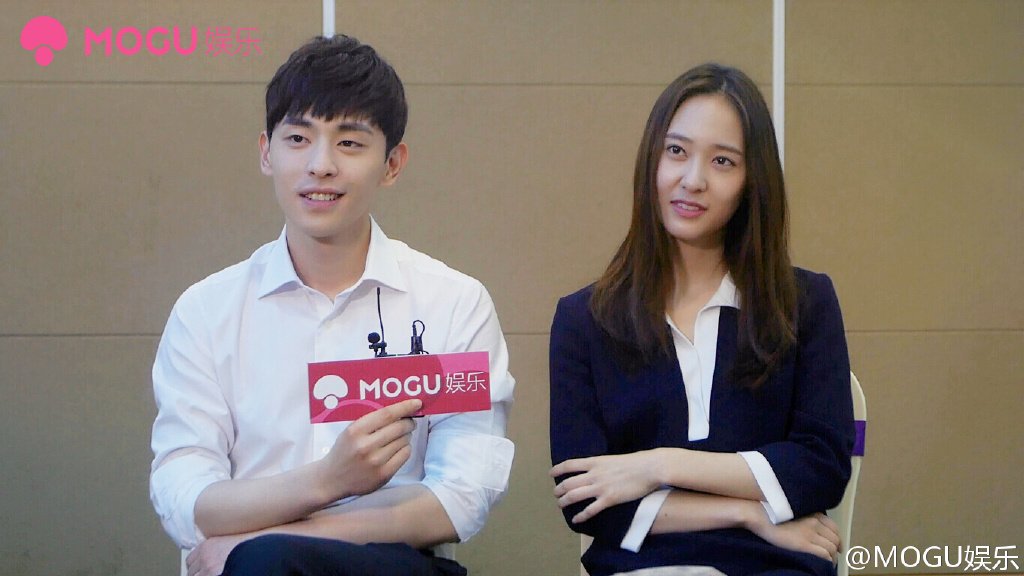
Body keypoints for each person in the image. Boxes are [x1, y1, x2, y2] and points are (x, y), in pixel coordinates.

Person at [149, 35, 515, 576]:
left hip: (394, 568)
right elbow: (185, 499)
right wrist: (328, 480)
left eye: (349, 143)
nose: (320, 165)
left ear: (392, 164)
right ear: (266, 153)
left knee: (266, 559)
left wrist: (271, 540)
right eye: (298, 138)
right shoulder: (206, 312)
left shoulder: (454, 302)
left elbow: (463, 494)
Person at [548, 63, 854, 576]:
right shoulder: (584, 319)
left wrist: (657, 465)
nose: (693, 180)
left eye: (722, 161)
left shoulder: (805, 303)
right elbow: (585, 497)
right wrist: (745, 511)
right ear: (651, 159)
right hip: (642, 568)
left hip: (776, 565)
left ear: (751, 181)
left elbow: (820, 468)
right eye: (676, 151)